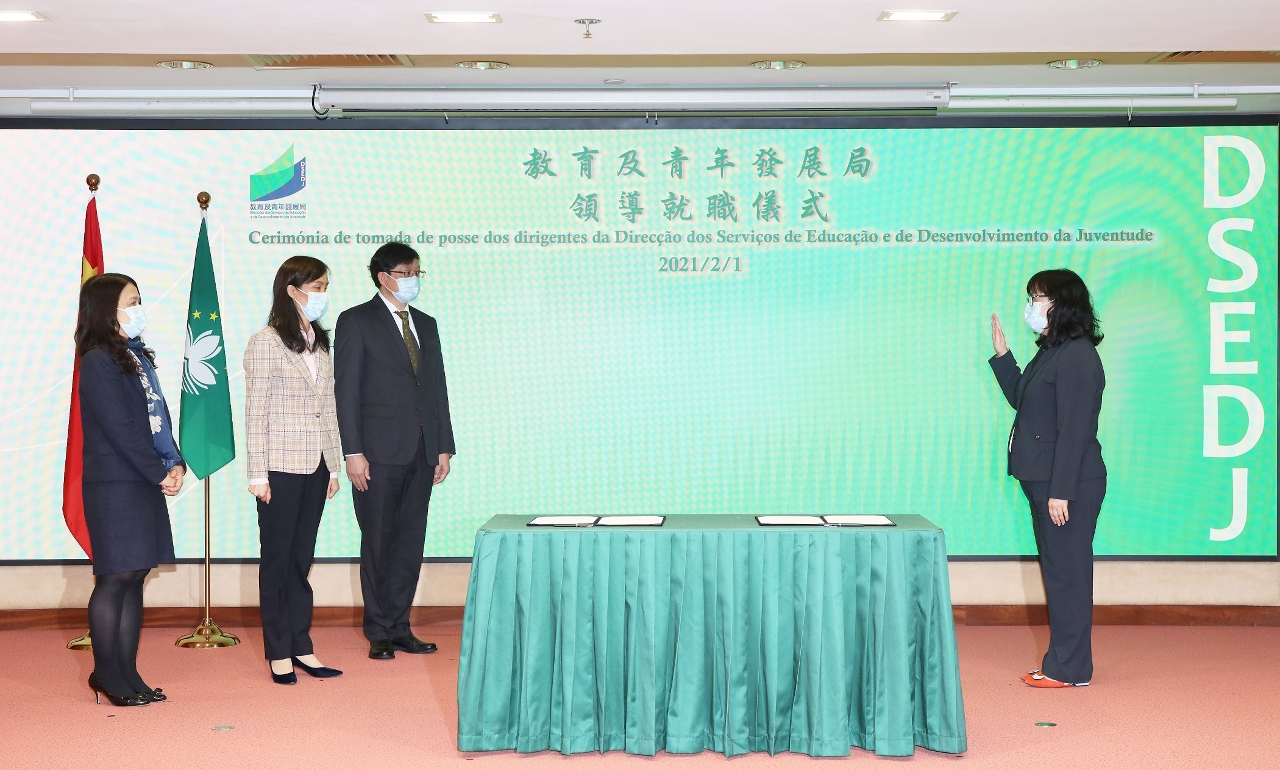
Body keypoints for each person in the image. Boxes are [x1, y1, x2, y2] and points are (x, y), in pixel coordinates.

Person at [334, 242, 455, 660]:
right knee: (379, 541)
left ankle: (401, 626)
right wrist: (353, 451)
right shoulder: (356, 320)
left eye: (418, 272)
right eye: (407, 272)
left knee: (409, 542)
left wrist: (443, 447)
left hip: (421, 450)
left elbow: (436, 389)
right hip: (377, 453)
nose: (414, 280)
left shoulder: (426, 323)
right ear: (383, 276)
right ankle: (379, 631)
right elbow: (346, 391)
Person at [989, 268, 1106, 688]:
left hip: (1066, 486)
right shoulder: (1054, 350)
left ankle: (1069, 670)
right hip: (1044, 481)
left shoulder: (1078, 356)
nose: (1031, 306)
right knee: (1059, 573)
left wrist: (1061, 491)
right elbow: (1023, 398)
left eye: (1038, 298)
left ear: (1063, 304)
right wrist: (1003, 356)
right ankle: (1063, 664)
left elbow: (1076, 429)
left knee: (1067, 576)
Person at [76, 273, 186, 706]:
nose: (139, 309)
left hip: (141, 478)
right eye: (132, 301)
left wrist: (174, 462)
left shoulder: (135, 357)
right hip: (115, 483)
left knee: (136, 574)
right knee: (116, 576)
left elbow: (157, 418)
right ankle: (106, 674)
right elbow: (119, 428)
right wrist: (156, 471)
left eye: (139, 300)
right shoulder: (98, 360)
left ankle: (127, 671)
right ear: (108, 309)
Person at [244, 256, 344, 684]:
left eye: (325, 287)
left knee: (301, 560)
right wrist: (257, 474)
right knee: (278, 559)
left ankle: (302, 645)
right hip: (279, 466)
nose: (323, 294)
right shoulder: (266, 341)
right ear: (292, 290)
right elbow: (256, 411)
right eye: (316, 287)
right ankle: (278, 651)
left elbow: (329, 408)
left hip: (316, 464)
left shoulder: (320, 341)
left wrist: (334, 466)